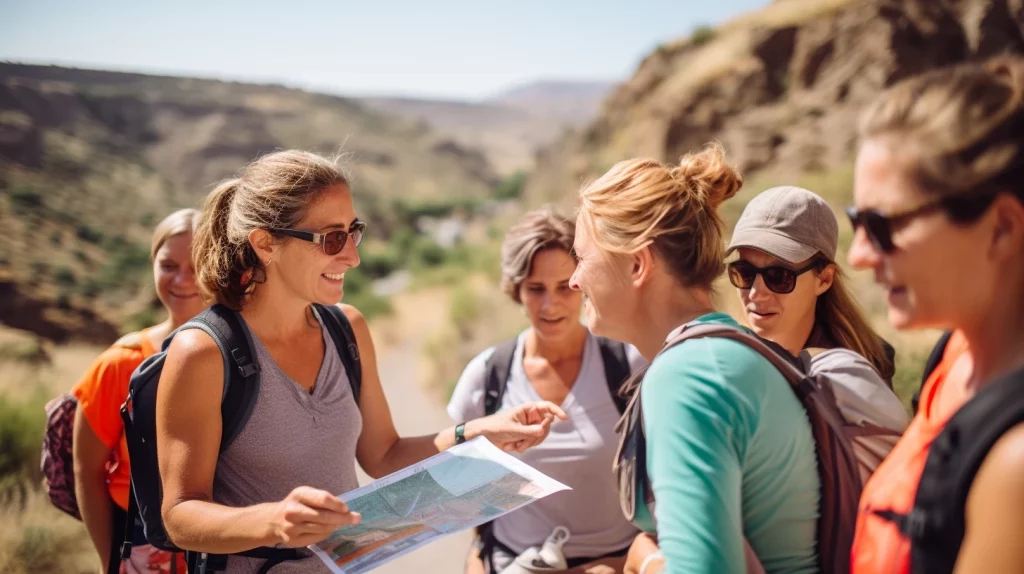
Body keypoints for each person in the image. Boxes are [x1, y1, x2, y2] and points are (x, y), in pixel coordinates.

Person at [156, 150, 567, 573]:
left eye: (354, 232)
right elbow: (181, 515)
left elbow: (383, 454)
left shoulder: (346, 328)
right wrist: (274, 521)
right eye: (331, 238)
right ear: (265, 244)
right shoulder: (203, 352)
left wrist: (474, 434)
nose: (352, 256)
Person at [569, 142, 820, 574]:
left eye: (582, 257)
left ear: (636, 265)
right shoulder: (720, 353)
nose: (574, 281)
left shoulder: (689, 376)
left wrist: (642, 561)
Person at [848, 56, 1024, 572]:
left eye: (883, 225)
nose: (858, 253)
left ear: (1003, 228)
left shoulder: (1014, 461)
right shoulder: (958, 355)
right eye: (856, 221)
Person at [448, 208, 644, 574]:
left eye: (564, 287)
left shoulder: (629, 365)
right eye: (535, 289)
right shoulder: (486, 376)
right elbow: (472, 502)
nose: (549, 305)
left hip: (615, 564)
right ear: (515, 289)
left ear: (583, 283)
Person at [73, 208, 204, 573]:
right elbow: (87, 471)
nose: (182, 279)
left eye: (197, 266)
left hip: (228, 547)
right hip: (144, 552)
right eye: (168, 265)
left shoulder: (245, 355)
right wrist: (110, 562)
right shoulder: (120, 364)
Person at [726, 185, 896, 383]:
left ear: (824, 279)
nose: (756, 292)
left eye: (778, 277)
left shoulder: (855, 376)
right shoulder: (724, 359)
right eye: (745, 273)